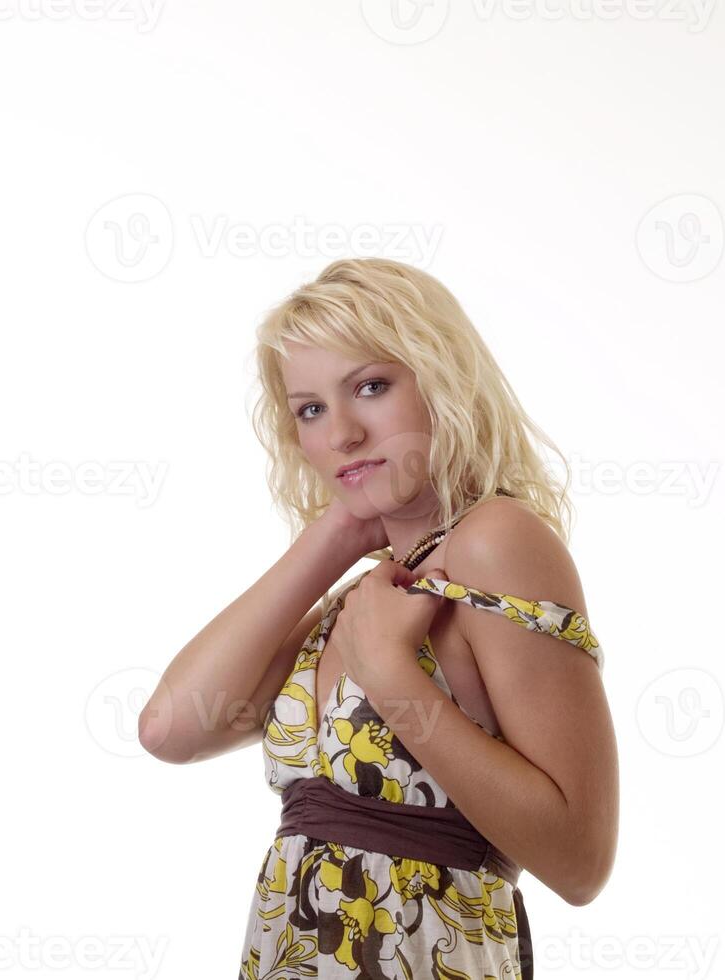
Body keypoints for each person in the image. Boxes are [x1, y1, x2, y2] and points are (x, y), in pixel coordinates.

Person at [139, 257, 618, 980]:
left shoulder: (496, 541)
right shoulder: (364, 598)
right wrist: (334, 536)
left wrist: (394, 677)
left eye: (369, 387)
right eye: (310, 410)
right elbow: (170, 729)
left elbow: (580, 862)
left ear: (442, 380)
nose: (342, 434)